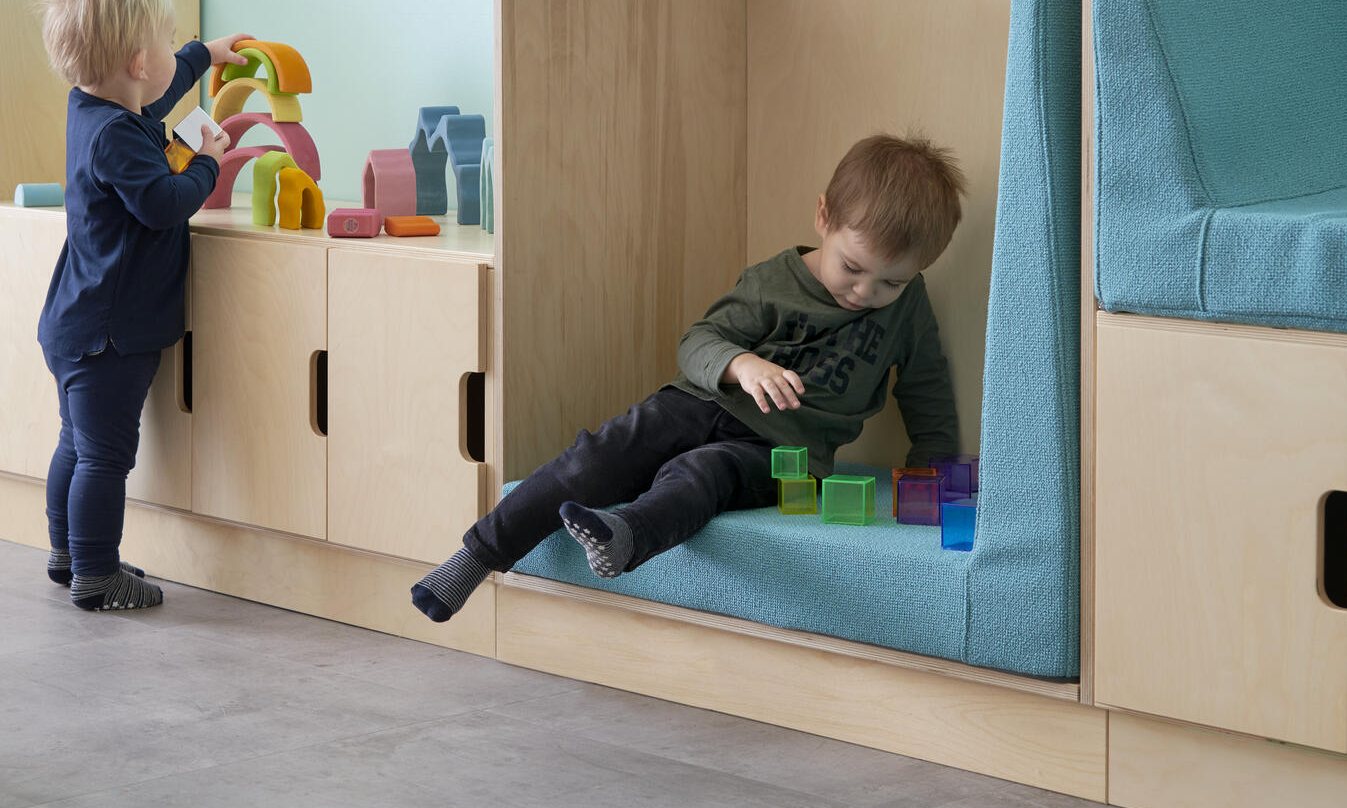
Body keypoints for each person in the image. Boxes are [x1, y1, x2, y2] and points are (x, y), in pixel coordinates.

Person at [412, 133, 967, 621]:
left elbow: (927, 387)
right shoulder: (772, 282)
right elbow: (697, 342)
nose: (865, 292)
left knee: (700, 476)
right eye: (852, 267)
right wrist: (742, 364)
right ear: (824, 217)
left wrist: (930, 468)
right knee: (595, 456)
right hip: (694, 403)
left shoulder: (908, 308)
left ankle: (625, 536)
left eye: (891, 283)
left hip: (779, 453)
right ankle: (475, 557)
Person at [35, 0, 250, 610]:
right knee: (105, 457)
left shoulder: (94, 109)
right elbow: (162, 203)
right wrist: (208, 160)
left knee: (76, 445)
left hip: (76, 321)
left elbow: (155, 97)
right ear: (136, 61)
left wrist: (203, 56)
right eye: (168, 41)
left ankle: (70, 553)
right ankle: (97, 573)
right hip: (111, 332)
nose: (173, 52)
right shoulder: (119, 136)